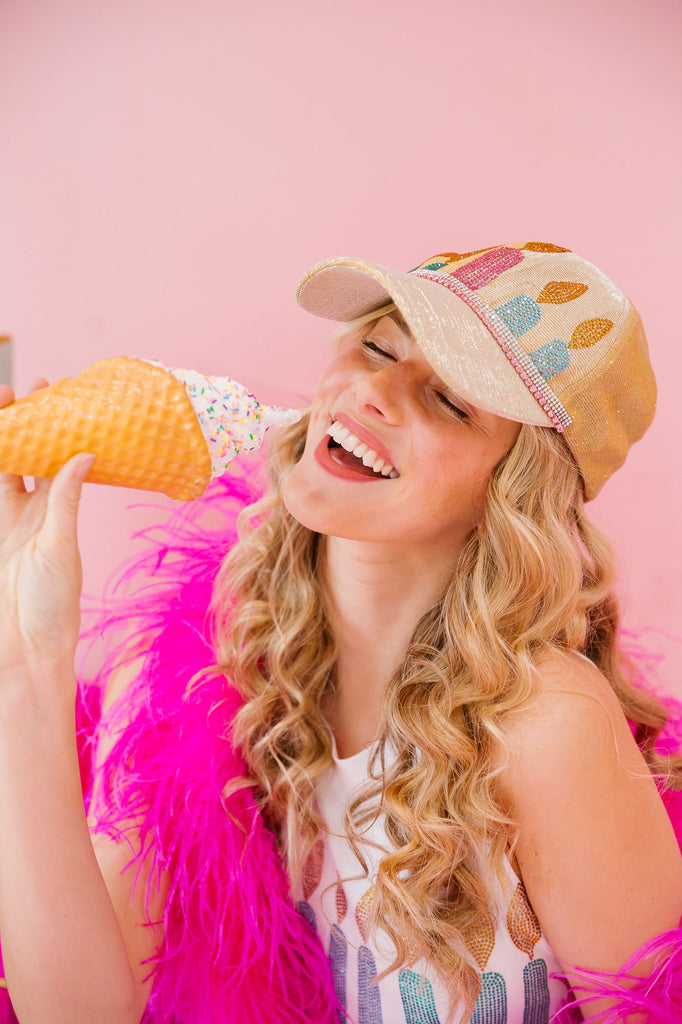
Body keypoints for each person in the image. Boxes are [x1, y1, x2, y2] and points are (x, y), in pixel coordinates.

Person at [0, 241, 681, 1024]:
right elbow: (84, 1013)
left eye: (452, 401)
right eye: (377, 345)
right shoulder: (197, 665)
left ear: (513, 489)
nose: (373, 391)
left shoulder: (546, 725)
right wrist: (23, 661)